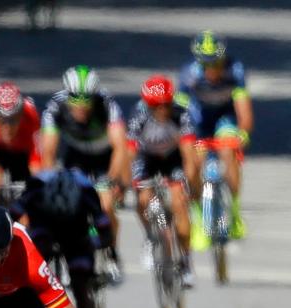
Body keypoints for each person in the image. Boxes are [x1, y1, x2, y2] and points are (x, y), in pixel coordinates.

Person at [11, 168, 110, 308]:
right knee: (68, 284)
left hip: (63, 234)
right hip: (59, 234)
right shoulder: (49, 187)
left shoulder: (75, 188)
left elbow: (13, 213)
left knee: (73, 284)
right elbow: (104, 226)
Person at [41, 65, 127, 283]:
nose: (80, 107)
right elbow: (48, 150)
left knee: (105, 205)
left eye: (86, 101)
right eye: (75, 102)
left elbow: (120, 147)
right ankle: (73, 255)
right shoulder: (55, 107)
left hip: (104, 159)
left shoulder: (107, 104)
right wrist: (50, 181)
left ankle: (112, 254)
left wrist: (112, 179)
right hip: (75, 158)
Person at [178, 30, 252, 241]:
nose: (212, 69)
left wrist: (243, 133)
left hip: (224, 118)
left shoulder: (235, 70)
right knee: (193, 164)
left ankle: (235, 212)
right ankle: (198, 217)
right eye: (206, 64)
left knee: (228, 152)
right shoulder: (189, 74)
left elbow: (243, 109)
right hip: (199, 120)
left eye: (216, 63)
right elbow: (179, 112)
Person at [128, 75, 198, 286]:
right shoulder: (139, 116)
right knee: (142, 199)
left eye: (166, 104)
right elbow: (129, 152)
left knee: (178, 203)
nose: (162, 110)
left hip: (172, 159)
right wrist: (125, 182)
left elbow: (189, 155)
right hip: (147, 159)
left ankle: (185, 261)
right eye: (155, 106)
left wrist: (192, 184)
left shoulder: (181, 115)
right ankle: (150, 237)